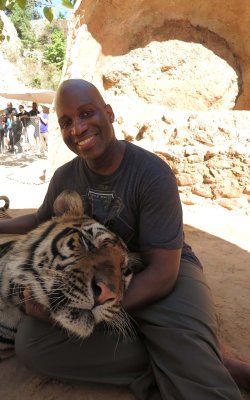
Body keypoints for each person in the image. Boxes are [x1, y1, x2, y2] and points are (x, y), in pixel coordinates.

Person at [0, 79, 249, 400]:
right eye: (65, 122)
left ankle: (193, 357)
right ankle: (188, 358)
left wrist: (96, 313)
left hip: (158, 274)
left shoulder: (151, 174)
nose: (77, 128)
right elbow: (40, 219)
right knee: (33, 344)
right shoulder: (65, 176)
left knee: (186, 353)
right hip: (95, 279)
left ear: (109, 113)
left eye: (86, 113)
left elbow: (163, 273)